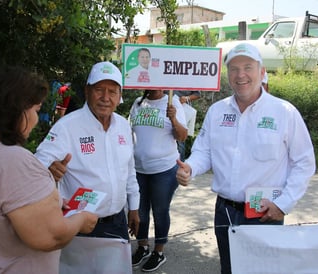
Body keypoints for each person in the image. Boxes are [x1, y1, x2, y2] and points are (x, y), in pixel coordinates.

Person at [176, 43, 316, 274]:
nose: (241, 75)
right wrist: (190, 167)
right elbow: (205, 152)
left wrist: (284, 203)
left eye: (248, 67)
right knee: (229, 269)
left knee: (264, 270)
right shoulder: (217, 111)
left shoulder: (285, 112)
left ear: (261, 73)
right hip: (225, 211)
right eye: (234, 69)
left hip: (265, 213)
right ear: (228, 75)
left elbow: (304, 162)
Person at [0, 66, 98, 274]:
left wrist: (51, 203)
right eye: (36, 110)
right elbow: (51, 236)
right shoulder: (14, 160)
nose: (37, 120)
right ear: (15, 109)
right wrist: (81, 219)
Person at [35, 61, 140, 267]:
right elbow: (38, 165)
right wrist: (48, 172)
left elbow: (129, 169)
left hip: (117, 223)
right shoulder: (67, 126)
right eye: (99, 90)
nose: (105, 97)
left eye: (112, 91)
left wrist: (134, 207)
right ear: (87, 91)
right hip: (78, 226)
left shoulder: (123, 126)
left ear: (120, 96)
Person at [129, 89, 187, 272]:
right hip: (138, 170)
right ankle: (143, 246)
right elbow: (130, 133)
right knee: (141, 212)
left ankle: (159, 251)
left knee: (160, 211)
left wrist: (174, 119)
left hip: (164, 170)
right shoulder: (138, 102)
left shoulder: (173, 102)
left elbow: (182, 136)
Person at [170, 90, 201, 161]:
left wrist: (187, 98)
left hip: (182, 111)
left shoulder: (190, 79)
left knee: (180, 141)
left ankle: (181, 165)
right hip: (165, 109)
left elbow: (197, 94)